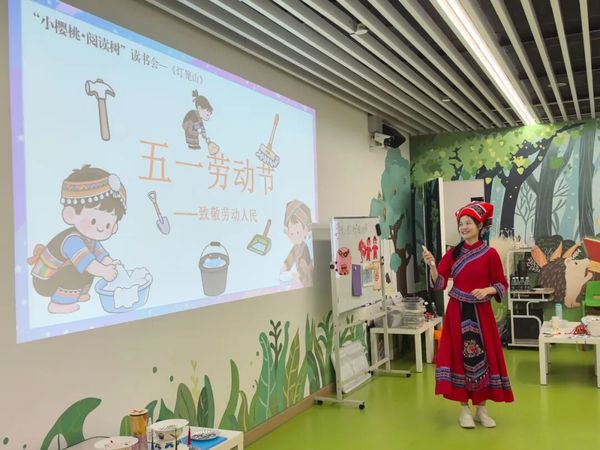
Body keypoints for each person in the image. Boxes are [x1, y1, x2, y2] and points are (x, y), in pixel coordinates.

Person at [422, 201, 513, 428]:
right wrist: (432, 265)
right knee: (458, 357)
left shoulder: (490, 254)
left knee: (486, 356)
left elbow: (501, 283)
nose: (463, 227)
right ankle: (464, 410)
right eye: (461, 224)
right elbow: (440, 283)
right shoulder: (452, 253)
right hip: (457, 311)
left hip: (482, 312)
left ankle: (481, 409)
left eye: (468, 223)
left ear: (480, 226)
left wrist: (487, 290)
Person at [28, 165, 126, 313]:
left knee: (91, 263)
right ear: (70, 215)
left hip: (59, 274)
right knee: (84, 266)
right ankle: (58, 304)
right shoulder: (71, 240)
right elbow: (89, 264)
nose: (101, 228)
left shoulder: (90, 239)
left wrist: (110, 263)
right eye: (94, 221)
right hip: (45, 281)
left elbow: (100, 254)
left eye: (108, 224)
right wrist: (104, 271)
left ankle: (76, 293)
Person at [281, 200, 313, 287]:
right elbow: (289, 260)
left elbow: (306, 268)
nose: (295, 236)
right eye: (292, 233)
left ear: (305, 231)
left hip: (307, 283)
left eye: (298, 232)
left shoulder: (305, 248)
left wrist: (297, 275)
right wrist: (284, 268)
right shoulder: (295, 248)